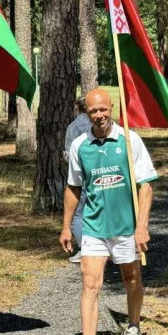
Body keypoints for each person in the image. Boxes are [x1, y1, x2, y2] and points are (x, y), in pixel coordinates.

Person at [61, 88, 157, 335]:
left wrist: (142, 226)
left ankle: (134, 329)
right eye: (93, 111)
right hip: (94, 227)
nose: (99, 115)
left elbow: (146, 185)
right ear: (86, 113)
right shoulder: (80, 145)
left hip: (126, 227)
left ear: (112, 108)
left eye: (103, 109)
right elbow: (73, 187)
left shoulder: (129, 140)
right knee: (90, 284)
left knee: (131, 279)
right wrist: (66, 226)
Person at [64, 96, 92, 263]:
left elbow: (69, 155)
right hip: (98, 175)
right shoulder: (99, 125)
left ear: (77, 107)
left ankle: (85, 249)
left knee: (76, 213)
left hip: (80, 176)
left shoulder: (73, 127)